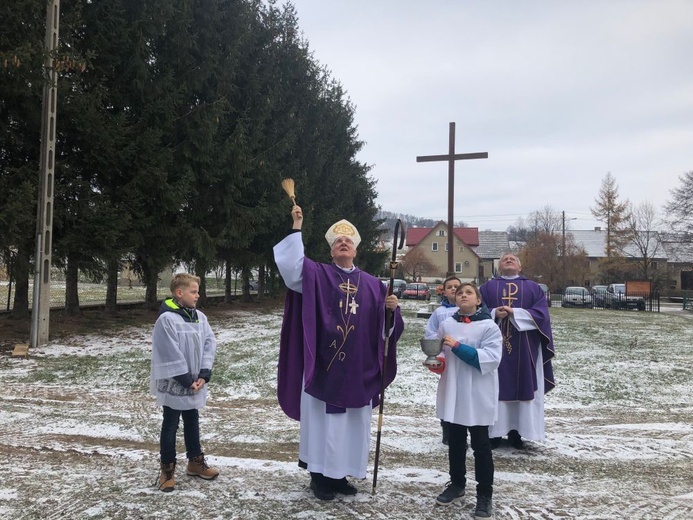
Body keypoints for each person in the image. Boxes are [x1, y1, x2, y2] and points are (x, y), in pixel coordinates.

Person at [273, 204, 403, 501]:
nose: (343, 244)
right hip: (323, 365)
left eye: (348, 242)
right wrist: (296, 227)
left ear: (355, 250)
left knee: (351, 425)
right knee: (322, 423)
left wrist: (390, 314)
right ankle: (319, 476)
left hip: (358, 369)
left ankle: (340, 475)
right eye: (337, 242)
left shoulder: (373, 285)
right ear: (331, 251)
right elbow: (292, 269)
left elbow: (387, 332)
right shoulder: (317, 274)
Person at [426, 283, 502, 519]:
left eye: (469, 293)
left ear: (478, 300)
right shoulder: (447, 324)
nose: (463, 296)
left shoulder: (489, 327)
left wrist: (457, 347)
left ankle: (484, 494)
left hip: (478, 392)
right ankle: (457, 484)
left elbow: (490, 359)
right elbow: (439, 352)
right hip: (454, 390)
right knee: (456, 441)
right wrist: (436, 363)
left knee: (481, 445)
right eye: (459, 293)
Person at [150, 273, 219, 492]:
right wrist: (185, 379)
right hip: (176, 382)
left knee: (192, 419)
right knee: (170, 423)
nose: (198, 296)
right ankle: (167, 470)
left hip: (195, 381)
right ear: (179, 293)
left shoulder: (200, 317)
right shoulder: (167, 319)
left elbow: (209, 342)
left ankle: (195, 462)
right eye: (193, 291)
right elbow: (168, 352)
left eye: (197, 291)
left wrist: (203, 375)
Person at [479, 253, 555, 449]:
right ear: (499, 267)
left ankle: (517, 432)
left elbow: (542, 315)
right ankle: (493, 433)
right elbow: (477, 310)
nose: (509, 260)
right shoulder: (486, 288)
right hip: (494, 346)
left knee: (523, 384)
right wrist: (495, 313)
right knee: (494, 386)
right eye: (505, 259)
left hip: (525, 347)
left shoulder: (533, 288)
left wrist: (516, 313)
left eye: (513, 258)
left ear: (520, 267)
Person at [424, 275, 461, 445]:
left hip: (465, 357)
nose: (454, 289)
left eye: (457, 286)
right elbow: (431, 333)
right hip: (447, 356)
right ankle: (447, 428)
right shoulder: (440, 312)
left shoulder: (471, 310)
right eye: (450, 287)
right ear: (444, 292)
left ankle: (464, 429)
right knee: (447, 393)